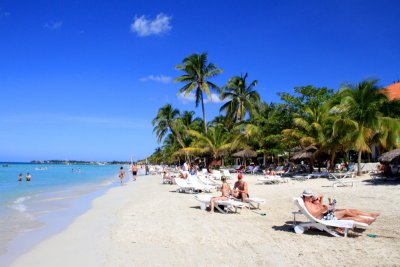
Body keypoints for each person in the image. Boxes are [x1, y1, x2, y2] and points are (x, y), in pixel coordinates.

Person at [302, 189, 379, 224]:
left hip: (326, 214)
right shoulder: (307, 204)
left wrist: (319, 200)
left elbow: (320, 202)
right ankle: (364, 219)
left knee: (348, 215)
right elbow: (313, 215)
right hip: (324, 218)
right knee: (346, 212)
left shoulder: (311, 202)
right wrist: (323, 209)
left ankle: (367, 218)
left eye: (311, 195)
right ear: (305, 196)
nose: (311, 197)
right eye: (310, 196)